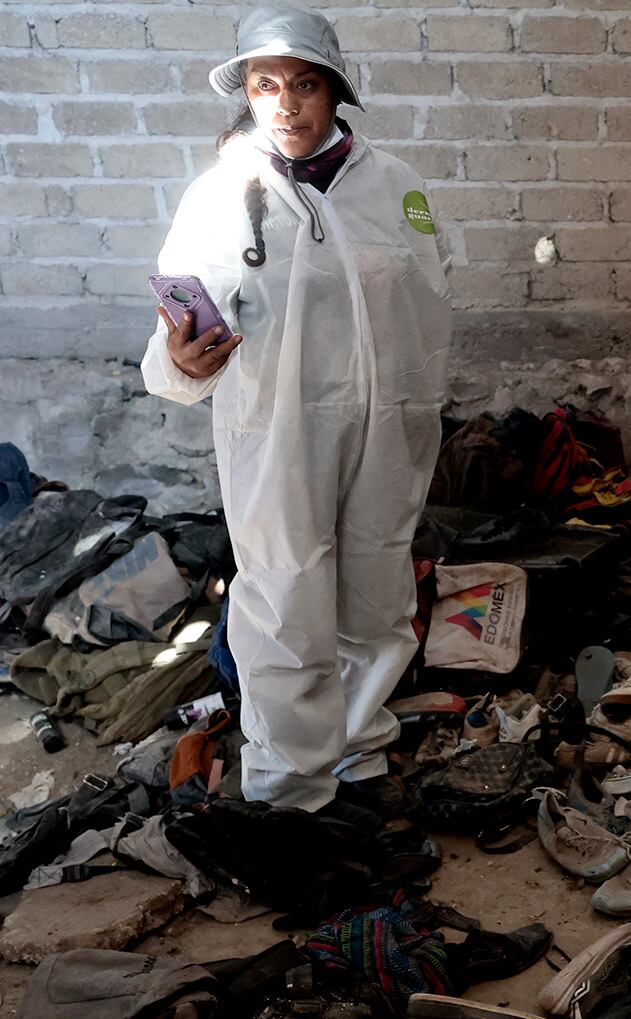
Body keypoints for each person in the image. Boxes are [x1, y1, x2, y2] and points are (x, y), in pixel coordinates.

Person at [140, 5, 451, 812]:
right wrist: (176, 361)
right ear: (246, 93)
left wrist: (420, 409)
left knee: (379, 597)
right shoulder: (223, 197)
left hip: (387, 429)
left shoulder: (397, 187)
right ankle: (289, 788)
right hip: (277, 434)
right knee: (285, 603)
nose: (285, 102)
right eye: (265, 84)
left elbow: (428, 306)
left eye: (304, 84)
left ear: (335, 91)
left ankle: (360, 752)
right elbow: (180, 326)